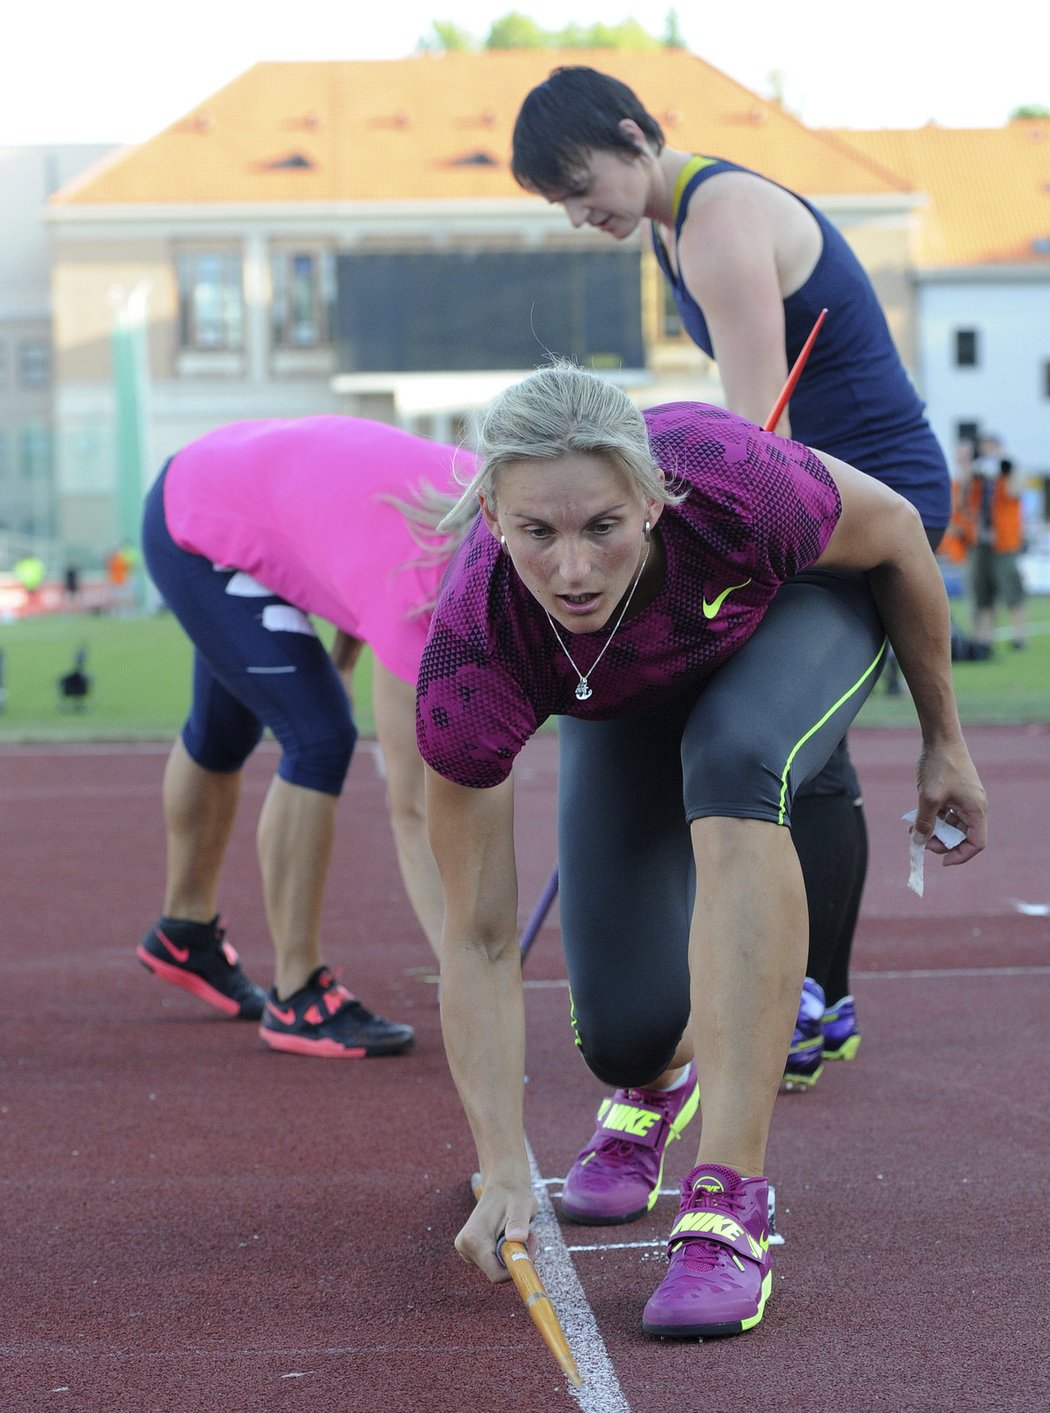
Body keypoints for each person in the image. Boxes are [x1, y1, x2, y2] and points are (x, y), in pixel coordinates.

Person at [418, 362, 986, 1339]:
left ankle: (727, 1205)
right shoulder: (474, 654)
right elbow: (475, 941)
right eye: (536, 534)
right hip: (622, 689)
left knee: (734, 762)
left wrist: (944, 741)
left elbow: (893, 531)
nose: (572, 570)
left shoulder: (731, 480)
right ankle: (657, 1083)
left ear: (649, 499)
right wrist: (504, 1162)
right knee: (627, 1036)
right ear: (492, 519)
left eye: (601, 525)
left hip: (797, 612)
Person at [511, 65, 956, 1090]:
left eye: (583, 187)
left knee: (775, 734)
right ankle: (819, 996)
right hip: (816, 491)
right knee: (811, 746)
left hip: (871, 507)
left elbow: (764, 439)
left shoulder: (717, 222)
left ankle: (809, 993)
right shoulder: (674, 224)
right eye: (562, 205)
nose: (581, 216)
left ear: (635, 136)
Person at [138, 415, 476, 1057]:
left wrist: (343, 664)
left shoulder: (474, 500)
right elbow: (412, 811)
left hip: (230, 477)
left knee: (224, 728)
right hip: (198, 518)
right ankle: (297, 995)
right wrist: (470, 968)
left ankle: (184, 935)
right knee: (321, 734)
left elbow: (354, 548)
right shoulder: (420, 590)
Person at [955, 433, 1027, 652]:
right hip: (980, 542)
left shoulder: (1009, 472)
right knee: (982, 592)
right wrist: (972, 471)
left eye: (992, 448)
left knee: (1012, 590)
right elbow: (961, 503)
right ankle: (984, 638)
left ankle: (1019, 637)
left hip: (1004, 543)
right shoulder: (977, 478)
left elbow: (1014, 491)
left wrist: (1006, 468)